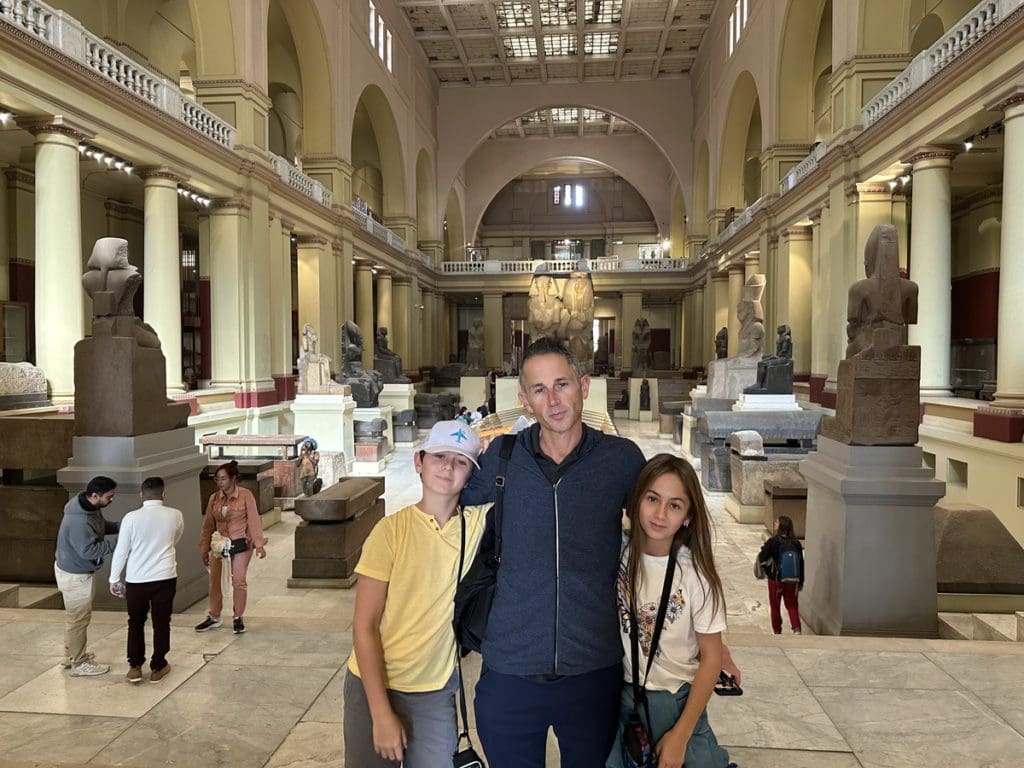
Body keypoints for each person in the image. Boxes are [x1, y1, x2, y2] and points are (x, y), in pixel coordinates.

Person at [461, 336, 647, 767]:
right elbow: (444, 516)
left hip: (591, 668)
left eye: (561, 384)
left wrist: (707, 634)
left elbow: (664, 534)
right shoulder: (503, 459)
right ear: (524, 400)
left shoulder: (621, 460)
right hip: (510, 667)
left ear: (583, 386)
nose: (553, 400)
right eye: (539, 390)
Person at [344, 420, 489, 766]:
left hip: (434, 691)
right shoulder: (390, 532)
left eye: (461, 461)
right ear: (418, 462)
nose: (448, 467)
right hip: (374, 684)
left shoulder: (480, 523)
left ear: (471, 475)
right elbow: (364, 625)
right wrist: (381, 715)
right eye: (439, 456)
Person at [607, 454, 733, 768]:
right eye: (653, 499)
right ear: (637, 500)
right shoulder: (615, 554)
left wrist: (680, 735)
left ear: (688, 516)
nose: (660, 514)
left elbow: (711, 658)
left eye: (675, 505)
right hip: (623, 697)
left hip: (676, 701)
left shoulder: (696, 573)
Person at [108, 476, 184, 684]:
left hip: (136, 579)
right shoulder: (175, 515)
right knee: (161, 622)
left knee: (135, 622)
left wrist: (114, 578)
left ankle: (135, 666)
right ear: (163, 494)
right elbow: (175, 538)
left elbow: (122, 551)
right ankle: (159, 665)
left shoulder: (130, 518)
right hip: (165, 576)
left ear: (141, 495)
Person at [54, 475, 120, 676]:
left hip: (76, 571)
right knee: (79, 619)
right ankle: (79, 663)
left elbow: (99, 527)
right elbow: (88, 550)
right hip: (76, 575)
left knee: (74, 617)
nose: (111, 499)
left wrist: (120, 527)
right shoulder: (79, 521)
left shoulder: (88, 507)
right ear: (95, 495)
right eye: (109, 496)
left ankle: (70, 655)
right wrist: (120, 543)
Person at [195, 461, 267, 634]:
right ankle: (214, 616)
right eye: (217, 479)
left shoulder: (245, 495)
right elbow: (208, 525)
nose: (220, 482)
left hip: (241, 543)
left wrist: (259, 544)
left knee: (238, 580)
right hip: (220, 544)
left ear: (233, 478)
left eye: (223, 479)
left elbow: (254, 520)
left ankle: (238, 617)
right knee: (215, 581)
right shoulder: (214, 498)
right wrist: (205, 548)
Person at [758, 515, 804, 634]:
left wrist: (769, 572)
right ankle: (796, 628)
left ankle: (777, 631)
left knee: (775, 606)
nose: (774, 524)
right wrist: (801, 581)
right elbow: (800, 562)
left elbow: (762, 558)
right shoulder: (796, 544)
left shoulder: (773, 541)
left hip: (776, 580)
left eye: (777, 522)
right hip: (792, 581)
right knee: (792, 605)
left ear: (781, 526)